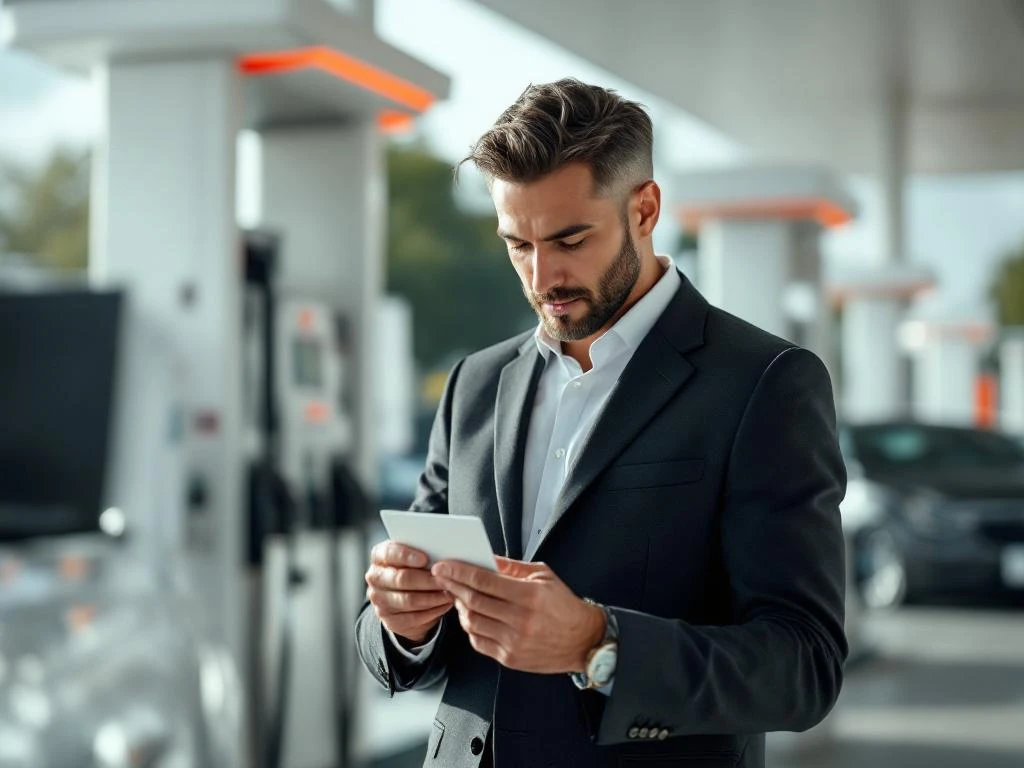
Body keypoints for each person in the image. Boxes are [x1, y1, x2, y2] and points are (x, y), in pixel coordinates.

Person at [355, 78, 847, 768]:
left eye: (569, 239)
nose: (541, 275)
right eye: (517, 245)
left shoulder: (762, 384)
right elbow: (395, 641)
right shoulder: (476, 384)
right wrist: (401, 622)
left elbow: (805, 664)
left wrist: (598, 642)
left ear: (644, 209)